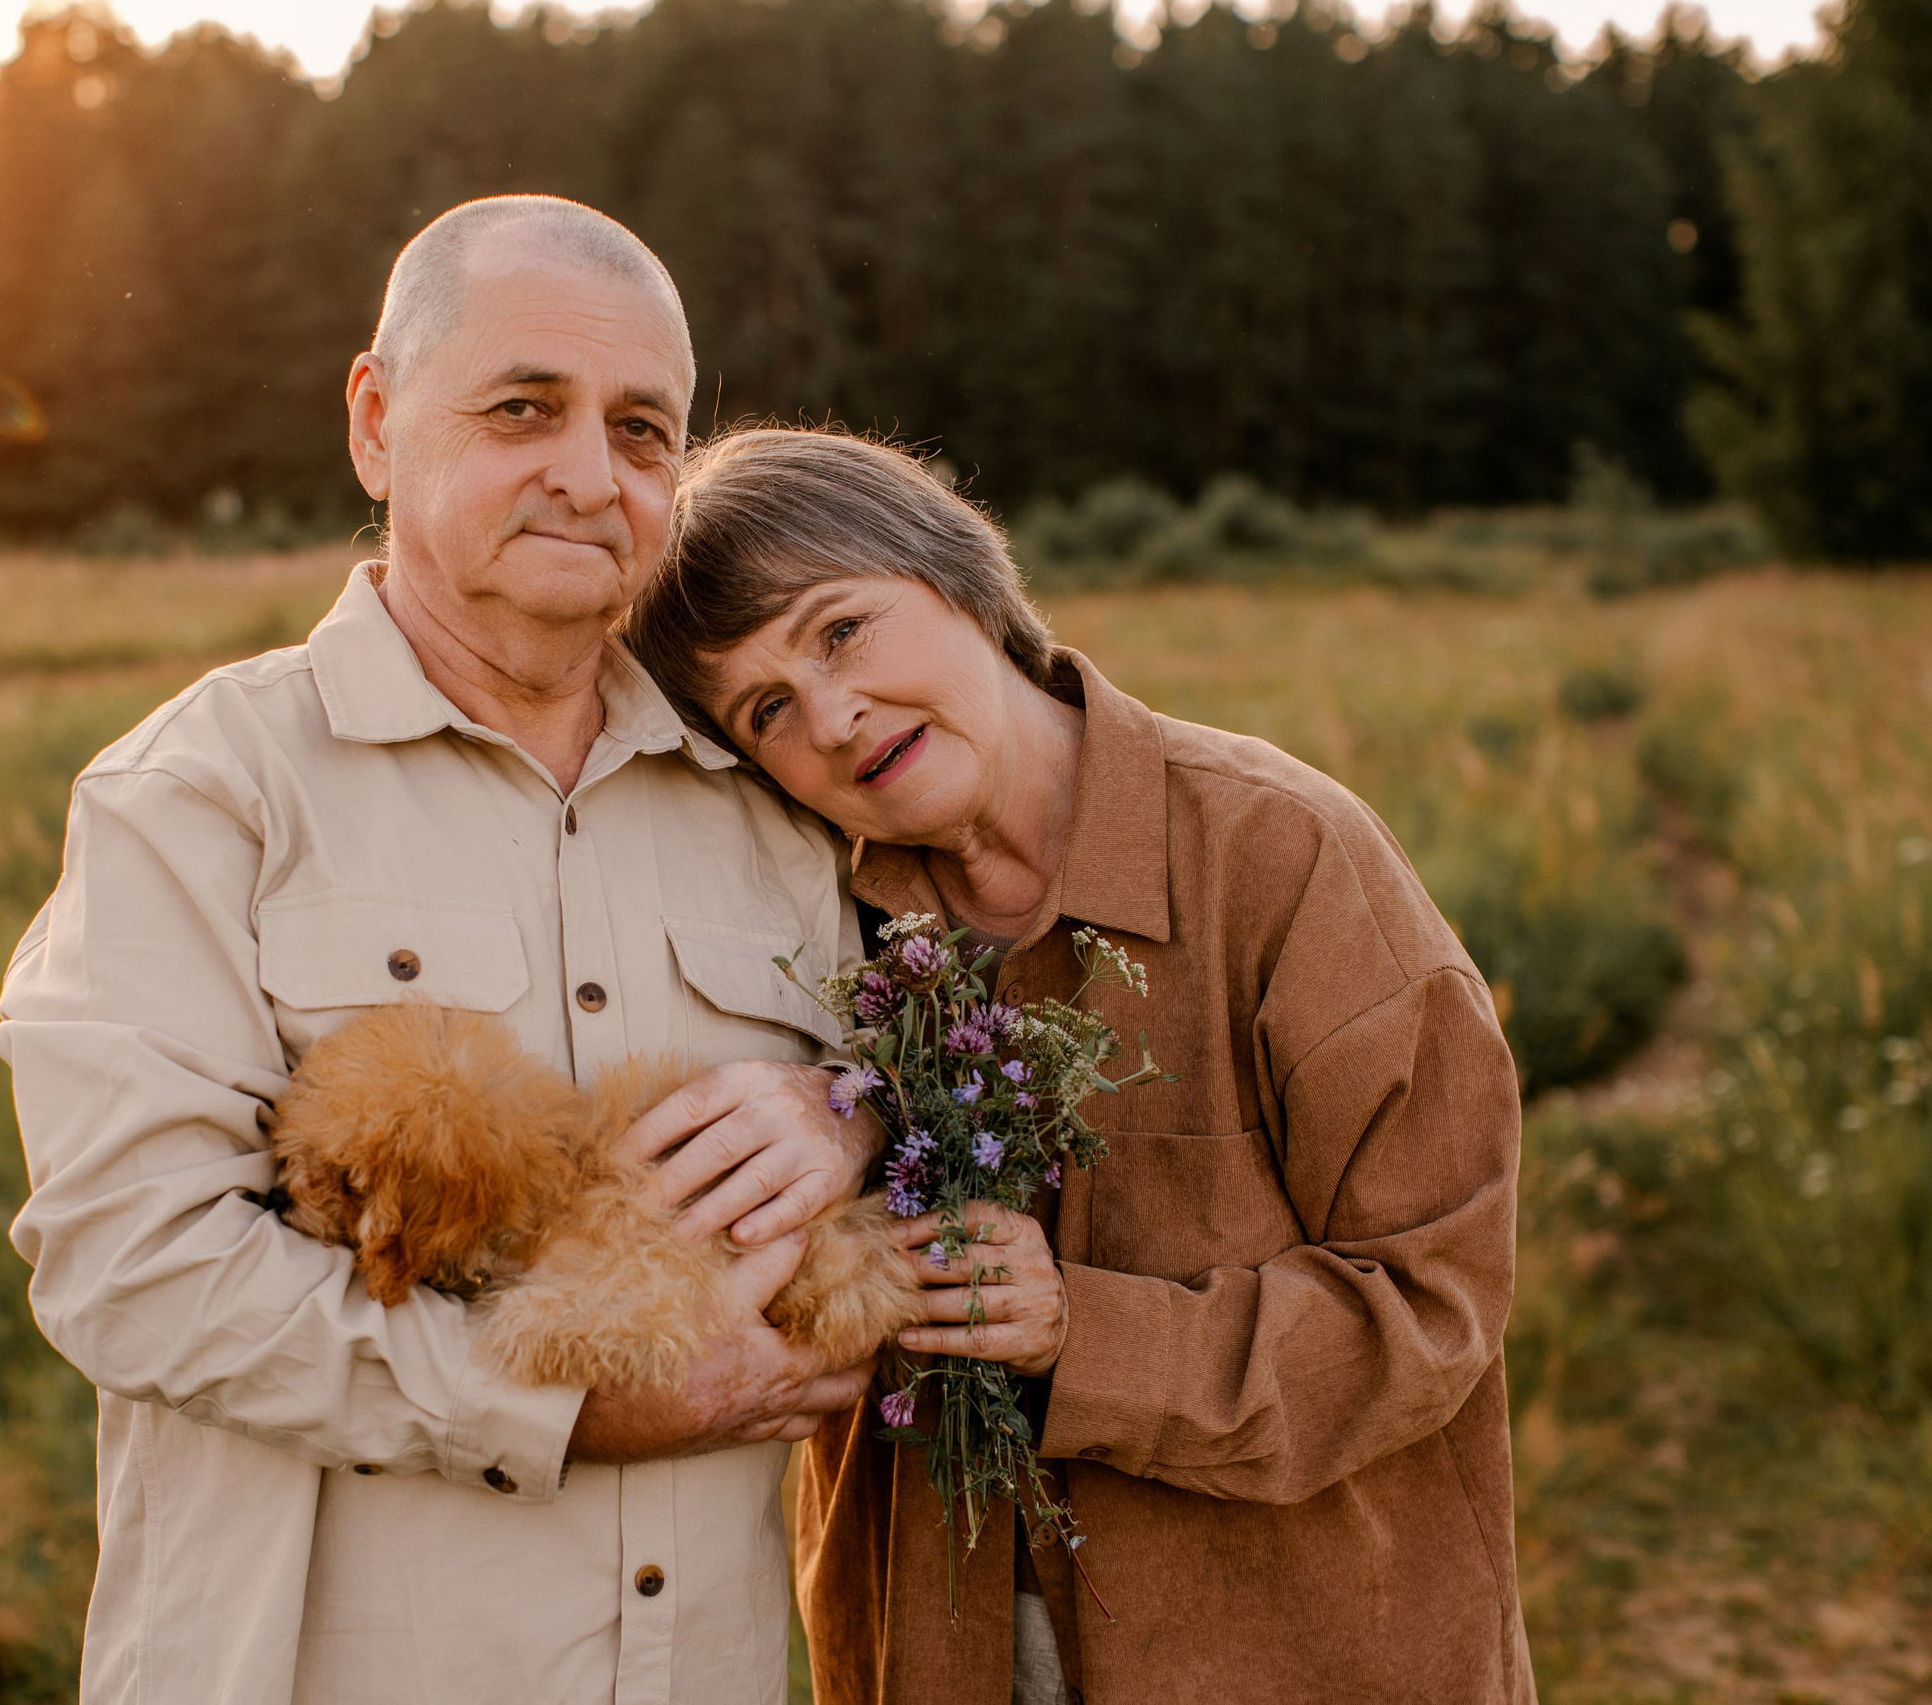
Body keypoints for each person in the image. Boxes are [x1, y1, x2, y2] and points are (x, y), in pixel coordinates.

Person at [0, 202, 882, 1705]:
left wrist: (851, 1110)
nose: (590, 476)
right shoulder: (204, 791)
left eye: (644, 430)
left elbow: (932, 1109)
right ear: (378, 421)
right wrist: (561, 1405)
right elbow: (130, 1263)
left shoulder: (777, 814)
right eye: (524, 407)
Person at [623, 427, 1535, 1705]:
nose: (831, 718)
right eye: (764, 708)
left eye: (841, 632)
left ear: (960, 579)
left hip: (1298, 1650)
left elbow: (1436, 1307)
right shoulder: (802, 927)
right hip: (937, 1651)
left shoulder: (1288, 860)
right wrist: (844, 1111)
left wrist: (1085, 1332)